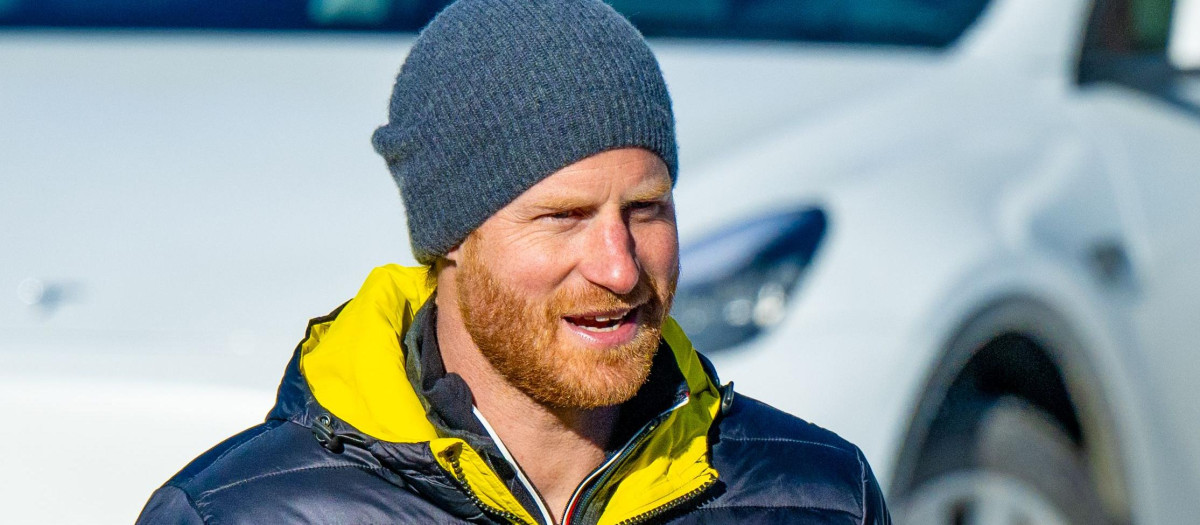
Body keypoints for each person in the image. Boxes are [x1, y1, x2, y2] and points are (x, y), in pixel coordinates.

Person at [136, 0, 890, 523]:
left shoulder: (820, 497)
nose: (619, 269)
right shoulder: (238, 513)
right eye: (563, 217)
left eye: (646, 208)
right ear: (450, 239)